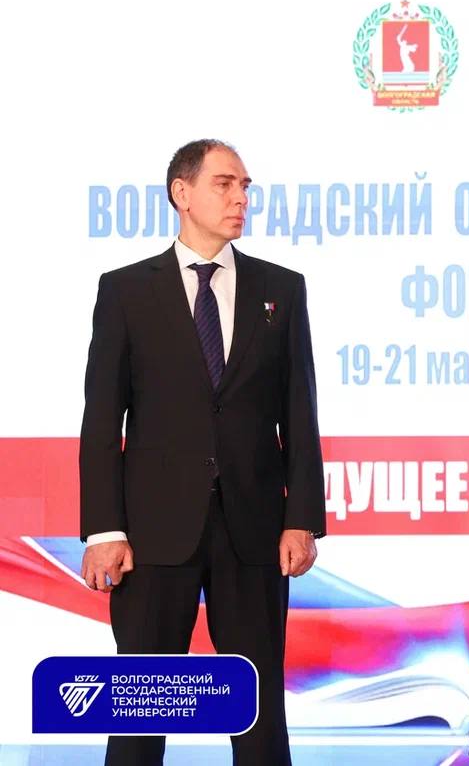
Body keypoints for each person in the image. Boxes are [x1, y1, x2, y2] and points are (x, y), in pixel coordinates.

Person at [79, 139, 326, 765]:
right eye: (224, 184)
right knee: (139, 712)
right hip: (153, 534)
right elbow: (102, 420)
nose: (241, 198)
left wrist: (302, 519)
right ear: (181, 193)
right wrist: (104, 530)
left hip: (254, 531)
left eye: (245, 186)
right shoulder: (126, 291)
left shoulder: (282, 289)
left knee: (259, 712)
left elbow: (301, 415)